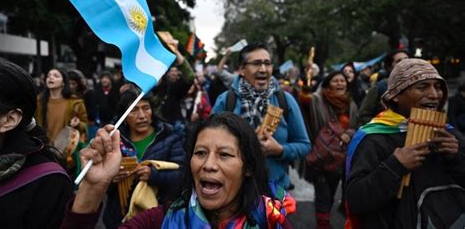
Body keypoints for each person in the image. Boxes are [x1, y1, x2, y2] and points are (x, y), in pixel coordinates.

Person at [62, 112, 296, 228]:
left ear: (248, 167)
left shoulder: (271, 220)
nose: (208, 165)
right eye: (200, 153)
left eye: (224, 155)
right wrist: (93, 188)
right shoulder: (158, 221)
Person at [345, 59, 465, 228]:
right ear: (396, 96)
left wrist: (457, 159)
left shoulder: (450, 134)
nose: (434, 94)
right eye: (422, 87)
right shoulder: (373, 138)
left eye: (438, 87)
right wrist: (395, 166)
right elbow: (356, 201)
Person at [211, 42, 310, 190]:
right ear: (242, 70)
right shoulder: (226, 101)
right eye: (256, 63)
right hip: (232, 190)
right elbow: (209, 143)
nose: (263, 69)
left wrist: (279, 150)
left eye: (267, 63)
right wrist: (245, 146)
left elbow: (304, 145)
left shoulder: (285, 100)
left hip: (274, 191)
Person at [0, 57, 72, 228]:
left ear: (9, 120)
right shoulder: (43, 101)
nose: (51, 78)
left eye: (56, 75)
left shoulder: (46, 182)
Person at [103, 90, 185, 228]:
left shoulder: (170, 137)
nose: (141, 116)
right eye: (133, 110)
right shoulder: (114, 140)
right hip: (119, 216)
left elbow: (183, 176)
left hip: (157, 217)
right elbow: (99, 182)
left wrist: (154, 175)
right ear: (124, 116)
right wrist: (110, 179)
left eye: (146, 108)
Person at [297, 70, 359, 228]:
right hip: (321, 157)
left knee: (331, 195)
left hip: (340, 159)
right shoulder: (318, 100)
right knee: (323, 196)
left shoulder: (350, 104)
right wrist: (306, 85)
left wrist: (349, 133)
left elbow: (356, 125)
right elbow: (305, 100)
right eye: (336, 80)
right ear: (327, 84)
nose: (340, 83)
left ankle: (324, 219)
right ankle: (323, 225)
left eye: (343, 81)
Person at [35, 68, 88, 145]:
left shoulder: (75, 103)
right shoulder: (38, 101)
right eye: (48, 75)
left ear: (63, 82)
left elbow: (85, 126)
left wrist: (78, 124)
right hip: (43, 148)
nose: (51, 77)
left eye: (56, 76)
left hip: (65, 150)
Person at [358, 49, 409, 125]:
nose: (405, 63)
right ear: (390, 67)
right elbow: (364, 114)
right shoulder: (379, 87)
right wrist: (382, 127)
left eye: (407, 60)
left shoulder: (420, 86)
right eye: (399, 61)